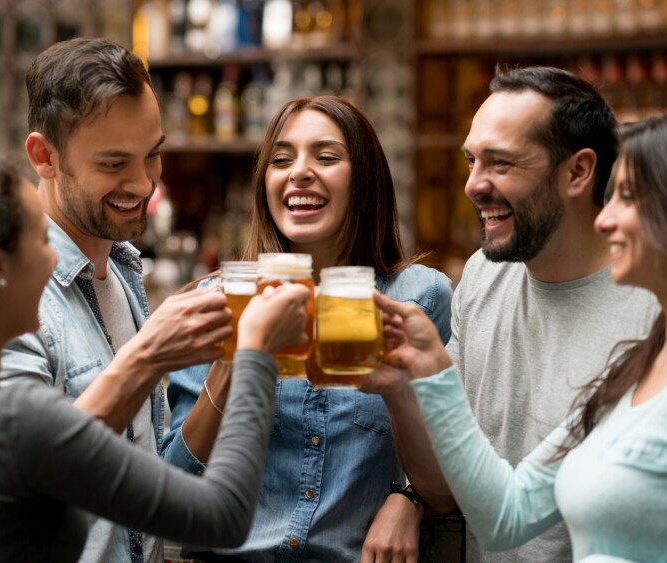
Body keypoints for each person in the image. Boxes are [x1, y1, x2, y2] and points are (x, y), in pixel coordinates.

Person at [0, 153, 314, 562]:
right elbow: (221, 515)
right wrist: (255, 352)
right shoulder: (21, 421)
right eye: (39, 241)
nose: (54, 258)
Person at [375, 104, 667, 561]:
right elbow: (507, 514)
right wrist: (433, 372)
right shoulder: (639, 361)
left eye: (628, 197)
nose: (603, 219)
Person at [367, 66, 658, 563]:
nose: (472, 186)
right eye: (471, 161)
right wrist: (400, 399)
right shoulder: (483, 276)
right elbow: (449, 488)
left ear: (578, 172)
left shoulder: (655, 309)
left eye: (499, 163)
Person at [160, 95, 453, 562]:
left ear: (365, 182)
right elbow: (170, 497)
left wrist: (408, 497)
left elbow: (447, 481)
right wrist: (235, 360)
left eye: (326, 156)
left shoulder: (416, 298)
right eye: (281, 160)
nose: (298, 171)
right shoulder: (216, 299)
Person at [0, 37, 212, 563]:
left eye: (153, 154)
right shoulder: (6, 294)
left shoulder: (121, 269)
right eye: (115, 164)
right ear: (43, 156)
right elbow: (21, 480)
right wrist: (151, 355)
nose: (143, 184)